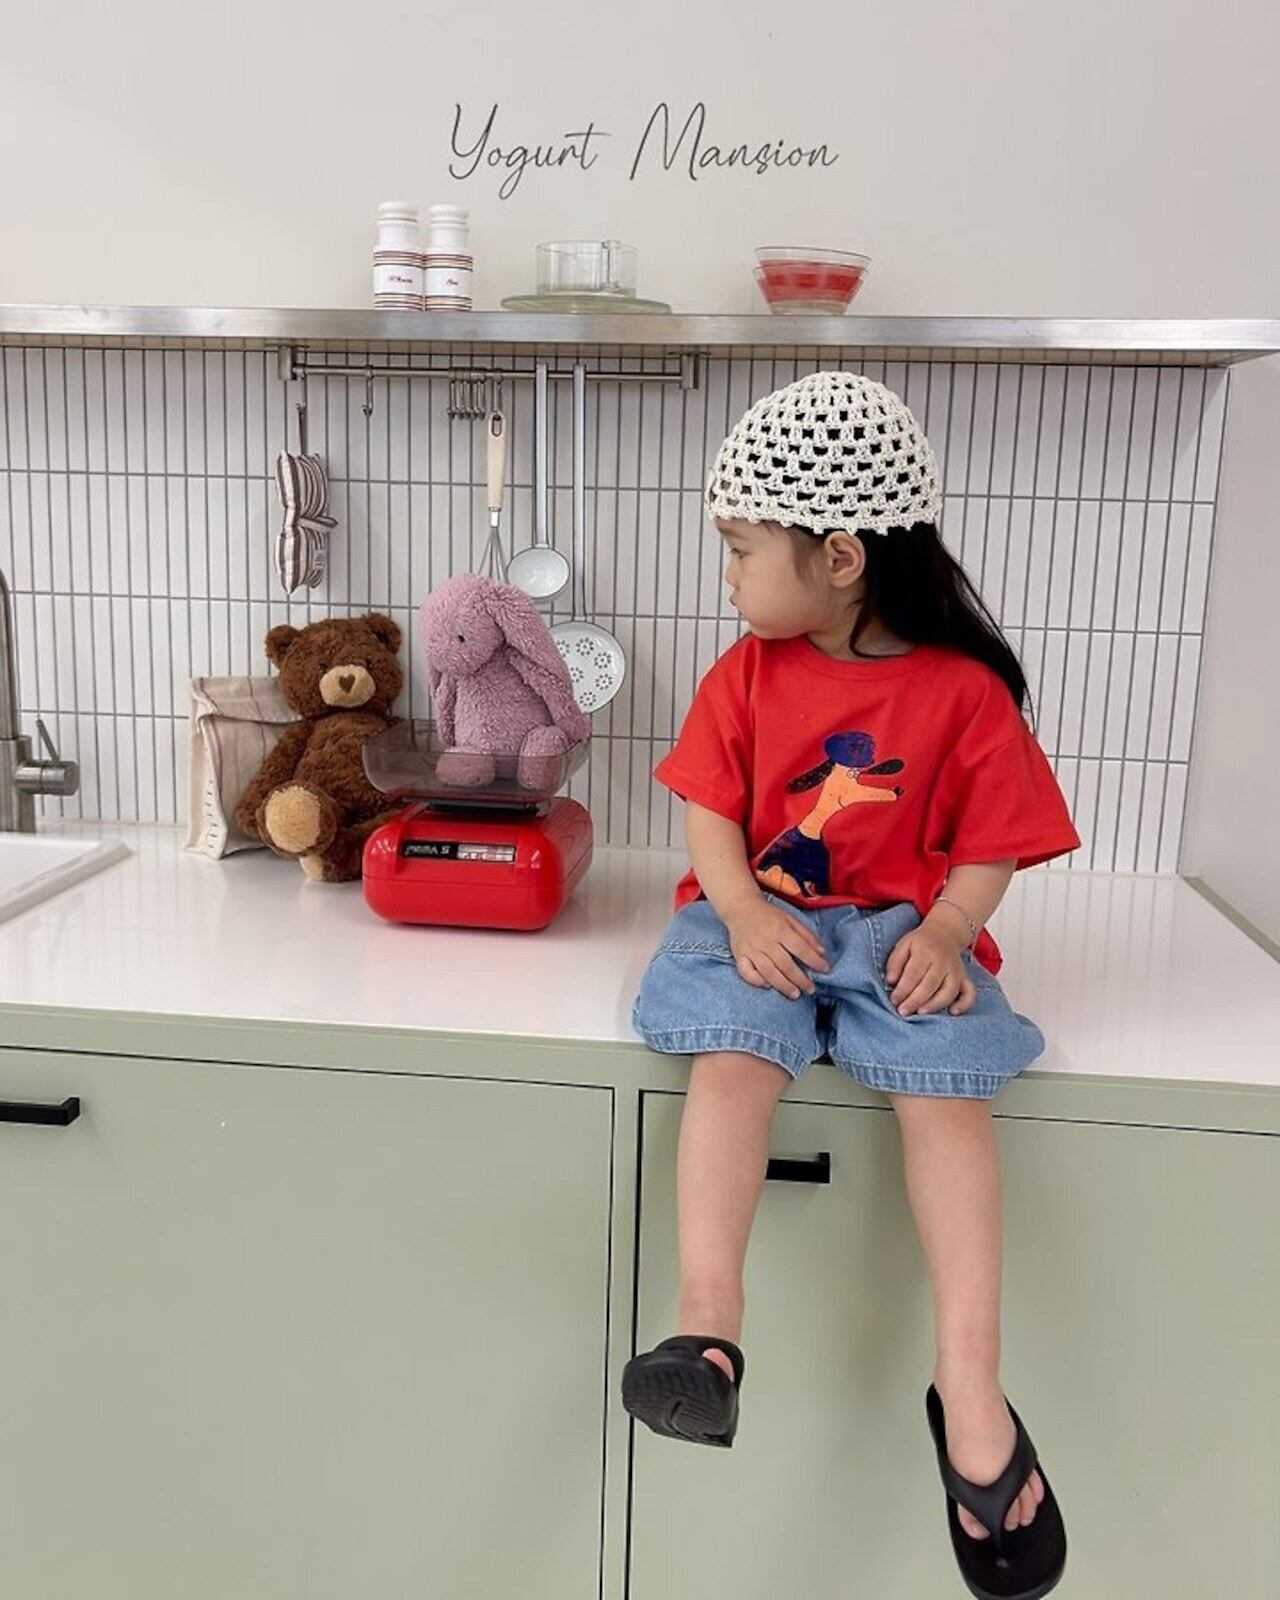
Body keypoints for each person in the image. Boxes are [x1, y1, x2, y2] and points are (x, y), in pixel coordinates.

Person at [621, 372, 1077, 1600]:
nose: (726, 576)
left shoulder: (961, 692)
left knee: (946, 1092)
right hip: (759, 918)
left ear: (838, 556)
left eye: (738, 549)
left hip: (899, 933)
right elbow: (709, 816)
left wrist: (950, 928)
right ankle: (707, 1328)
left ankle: (968, 1385)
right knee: (732, 1057)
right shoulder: (745, 672)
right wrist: (738, 911)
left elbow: (990, 842)